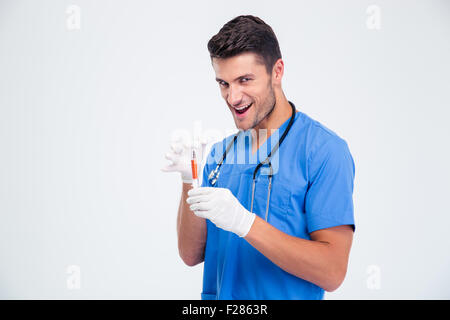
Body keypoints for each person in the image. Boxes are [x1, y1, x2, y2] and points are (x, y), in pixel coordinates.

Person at [162, 15, 355, 300]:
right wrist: (189, 179)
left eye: (244, 80)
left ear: (277, 72)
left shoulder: (323, 151)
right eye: (224, 84)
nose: (233, 97)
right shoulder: (221, 153)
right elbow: (191, 254)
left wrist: (244, 222)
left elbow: (332, 271)